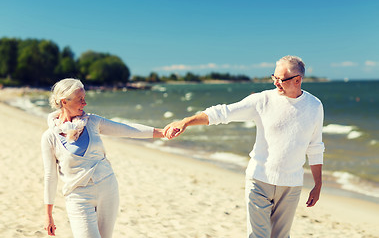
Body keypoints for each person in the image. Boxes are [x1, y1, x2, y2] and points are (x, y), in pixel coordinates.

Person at [164, 55, 325, 238]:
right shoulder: (262, 100)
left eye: (281, 80)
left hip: (291, 185)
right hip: (259, 180)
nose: (276, 83)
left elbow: (315, 147)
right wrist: (186, 121)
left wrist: (318, 184)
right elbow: (223, 113)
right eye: (274, 77)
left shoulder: (314, 106)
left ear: (298, 80)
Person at [41, 78, 164, 237]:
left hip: (108, 189)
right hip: (78, 197)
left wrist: (162, 133)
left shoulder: (92, 122)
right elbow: (50, 177)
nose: (85, 103)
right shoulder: (50, 137)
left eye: (85, 98)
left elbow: (127, 129)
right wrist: (48, 215)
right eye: (80, 99)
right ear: (64, 102)